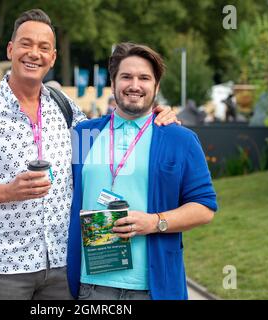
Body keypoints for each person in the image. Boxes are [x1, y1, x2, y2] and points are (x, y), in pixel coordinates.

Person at [0, 9, 178, 300]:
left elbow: (112, 129)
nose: (34, 54)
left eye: (44, 48)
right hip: (4, 268)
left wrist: (154, 115)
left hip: (63, 267)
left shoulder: (66, 109)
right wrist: (6, 191)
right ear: (11, 49)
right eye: (26, 44)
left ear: (52, 58)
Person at [67, 42, 217, 300]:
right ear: (113, 83)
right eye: (126, 76)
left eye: (144, 78)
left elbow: (204, 207)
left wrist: (154, 222)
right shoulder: (84, 134)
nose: (134, 85)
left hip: (154, 288)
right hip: (91, 286)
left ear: (156, 86)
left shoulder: (179, 139)